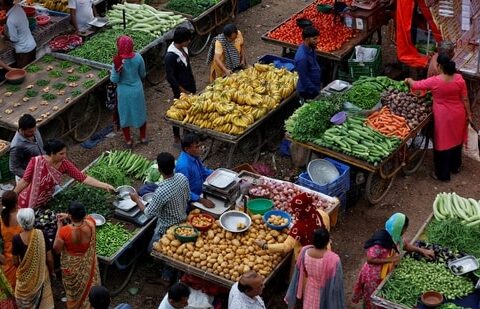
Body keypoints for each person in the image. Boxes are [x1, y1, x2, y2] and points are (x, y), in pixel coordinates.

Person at [405, 55, 471, 182]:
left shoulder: (435, 81)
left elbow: (417, 85)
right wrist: (469, 114)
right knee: (456, 141)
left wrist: (408, 80)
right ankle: (455, 167)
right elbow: (465, 99)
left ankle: (443, 175)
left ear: (440, 66)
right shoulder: (459, 79)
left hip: (443, 117)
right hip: (458, 114)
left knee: (443, 144)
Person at [352, 213, 434, 309]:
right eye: (405, 228)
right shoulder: (381, 239)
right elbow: (370, 259)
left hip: (385, 273)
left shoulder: (395, 236)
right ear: (399, 227)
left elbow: (405, 246)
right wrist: (391, 259)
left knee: (383, 298)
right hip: (374, 275)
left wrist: (422, 250)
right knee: (373, 300)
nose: (406, 230)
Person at [14, 139, 115, 209]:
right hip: (27, 199)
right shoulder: (36, 162)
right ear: (52, 153)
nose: (64, 156)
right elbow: (25, 181)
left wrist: (104, 185)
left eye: (65, 153)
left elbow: (83, 178)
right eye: (61, 154)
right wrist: (12, 195)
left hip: (45, 199)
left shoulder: (64, 165)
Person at [255, 192, 330, 276]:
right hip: (325, 252)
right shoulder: (321, 214)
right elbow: (326, 231)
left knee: (307, 282)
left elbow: (285, 247)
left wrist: (264, 246)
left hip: (308, 261)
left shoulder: (298, 228)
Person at [129, 152, 190, 251]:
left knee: (151, 250)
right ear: (174, 166)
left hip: (166, 229)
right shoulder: (182, 178)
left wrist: (137, 200)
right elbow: (188, 197)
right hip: (183, 219)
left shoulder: (161, 191)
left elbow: (148, 213)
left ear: (159, 170)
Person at [53, 201, 100, 309]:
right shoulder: (91, 222)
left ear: (70, 215)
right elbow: (85, 218)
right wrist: (69, 216)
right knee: (90, 285)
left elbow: (57, 249)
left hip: (72, 267)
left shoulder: (64, 231)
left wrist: (59, 227)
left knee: (74, 290)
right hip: (88, 263)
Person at [285, 228, 345, 309]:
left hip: (309, 290)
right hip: (326, 294)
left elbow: (302, 270)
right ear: (327, 242)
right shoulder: (334, 259)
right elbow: (337, 285)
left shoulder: (304, 252)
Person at [110, 35, 147, 148]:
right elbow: (143, 74)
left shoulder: (117, 61)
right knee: (140, 112)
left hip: (124, 92)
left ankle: (128, 141)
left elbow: (114, 80)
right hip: (137, 90)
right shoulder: (138, 57)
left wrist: (117, 71)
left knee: (124, 115)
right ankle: (143, 137)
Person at [12, 208, 54, 309]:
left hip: (25, 278)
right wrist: (52, 271)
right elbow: (49, 258)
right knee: (44, 302)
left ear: (20, 222)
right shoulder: (42, 234)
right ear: (33, 220)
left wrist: (26, 268)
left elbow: (15, 262)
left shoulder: (16, 239)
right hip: (42, 274)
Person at [165, 27, 196, 146]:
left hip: (190, 84)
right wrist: (182, 90)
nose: (189, 41)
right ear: (182, 40)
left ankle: (188, 132)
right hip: (180, 89)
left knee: (190, 109)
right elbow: (170, 77)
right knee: (178, 112)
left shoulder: (184, 48)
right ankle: (176, 137)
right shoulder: (170, 56)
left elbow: (187, 66)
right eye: (187, 40)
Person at [175, 134, 214, 208]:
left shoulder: (194, 156)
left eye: (199, 145)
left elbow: (203, 171)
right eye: (196, 147)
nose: (200, 148)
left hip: (200, 193)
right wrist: (202, 200)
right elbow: (183, 191)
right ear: (187, 149)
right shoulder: (184, 167)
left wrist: (217, 174)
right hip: (190, 201)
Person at [9, 114, 44, 181]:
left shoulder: (34, 130)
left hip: (41, 169)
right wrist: (31, 177)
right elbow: (14, 168)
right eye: (30, 132)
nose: (34, 133)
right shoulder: (16, 146)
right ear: (22, 130)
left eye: (35, 129)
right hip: (29, 176)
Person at [2, 0, 36, 67]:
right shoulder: (18, 7)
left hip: (23, 51)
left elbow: (14, 39)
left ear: (3, 6)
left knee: (24, 72)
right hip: (32, 45)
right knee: (32, 69)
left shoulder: (10, 21)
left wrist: (5, 36)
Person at [0, 191, 22, 289]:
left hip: (8, 256)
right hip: (22, 253)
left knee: (13, 285)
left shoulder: (1, 219)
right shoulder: (22, 216)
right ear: (16, 202)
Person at [295, 26, 321, 101]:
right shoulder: (302, 58)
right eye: (314, 39)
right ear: (306, 39)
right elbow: (304, 78)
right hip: (307, 91)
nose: (317, 41)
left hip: (315, 85)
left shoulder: (311, 48)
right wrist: (315, 91)